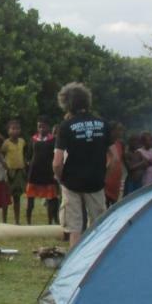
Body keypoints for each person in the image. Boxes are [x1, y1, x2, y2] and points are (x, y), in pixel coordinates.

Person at [52, 82, 108, 249]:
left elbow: (57, 162)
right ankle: (95, 257)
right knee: (99, 223)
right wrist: (103, 173)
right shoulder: (103, 123)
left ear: (66, 103)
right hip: (96, 181)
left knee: (74, 226)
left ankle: (73, 264)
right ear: (87, 101)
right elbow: (116, 157)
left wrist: (61, 177)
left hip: (72, 181)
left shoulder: (65, 126)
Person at [25, 118, 58, 225]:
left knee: (51, 200)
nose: (41, 129)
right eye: (39, 126)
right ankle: (28, 222)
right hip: (34, 173)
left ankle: (50, 222)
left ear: (48, 127)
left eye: (43, 126)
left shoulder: (53, 140)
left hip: (48, 173)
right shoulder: (33, 139)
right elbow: (29, 155)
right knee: (30, 200)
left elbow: (55, 155)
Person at [2, 119, 28, 224]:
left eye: (17, 128)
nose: (15, 131)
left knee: (17, 197)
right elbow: (2, 156)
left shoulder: (22, 141)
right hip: (9, 172)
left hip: (19, 172)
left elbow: (24, 154)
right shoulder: (6, 143)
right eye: (13, 128)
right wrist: (5, 169)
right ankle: (4, 221)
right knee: (6, 198)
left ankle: (17, 221)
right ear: (8, 131)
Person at [104, 123, 126, 206]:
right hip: (106, 178)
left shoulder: (120, 144)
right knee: (104, 205)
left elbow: (123, 160)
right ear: (112, 131)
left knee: (115, 205)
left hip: (116, 180)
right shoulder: (104, 143)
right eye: (119, 130)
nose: (121, 132)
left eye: (121, 130)